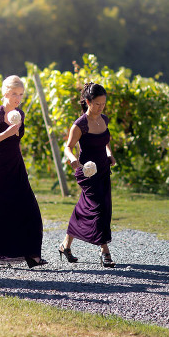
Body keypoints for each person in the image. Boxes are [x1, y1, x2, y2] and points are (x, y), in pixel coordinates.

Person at [0, 75, 47, 268]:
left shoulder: (21, 113)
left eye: (21, 94)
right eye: (15, 94)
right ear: (6, 93)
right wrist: (6, 133)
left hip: (16, 165)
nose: (18, 98)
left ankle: (31, 254)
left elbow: (16, 142)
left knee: (29, 208)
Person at [59, 82, 117, 268]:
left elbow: (105, 140)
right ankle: (104, 251)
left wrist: (109, 153)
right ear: (87, 102)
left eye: (104, 104)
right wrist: (73, 160)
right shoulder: (80, 124)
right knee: (98, 208)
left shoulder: (104, 119)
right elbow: (67, 147)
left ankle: (65, 246)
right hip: (86, 171)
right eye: (98, 104)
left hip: (103, 169)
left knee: (90, 207)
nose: (101, 107)